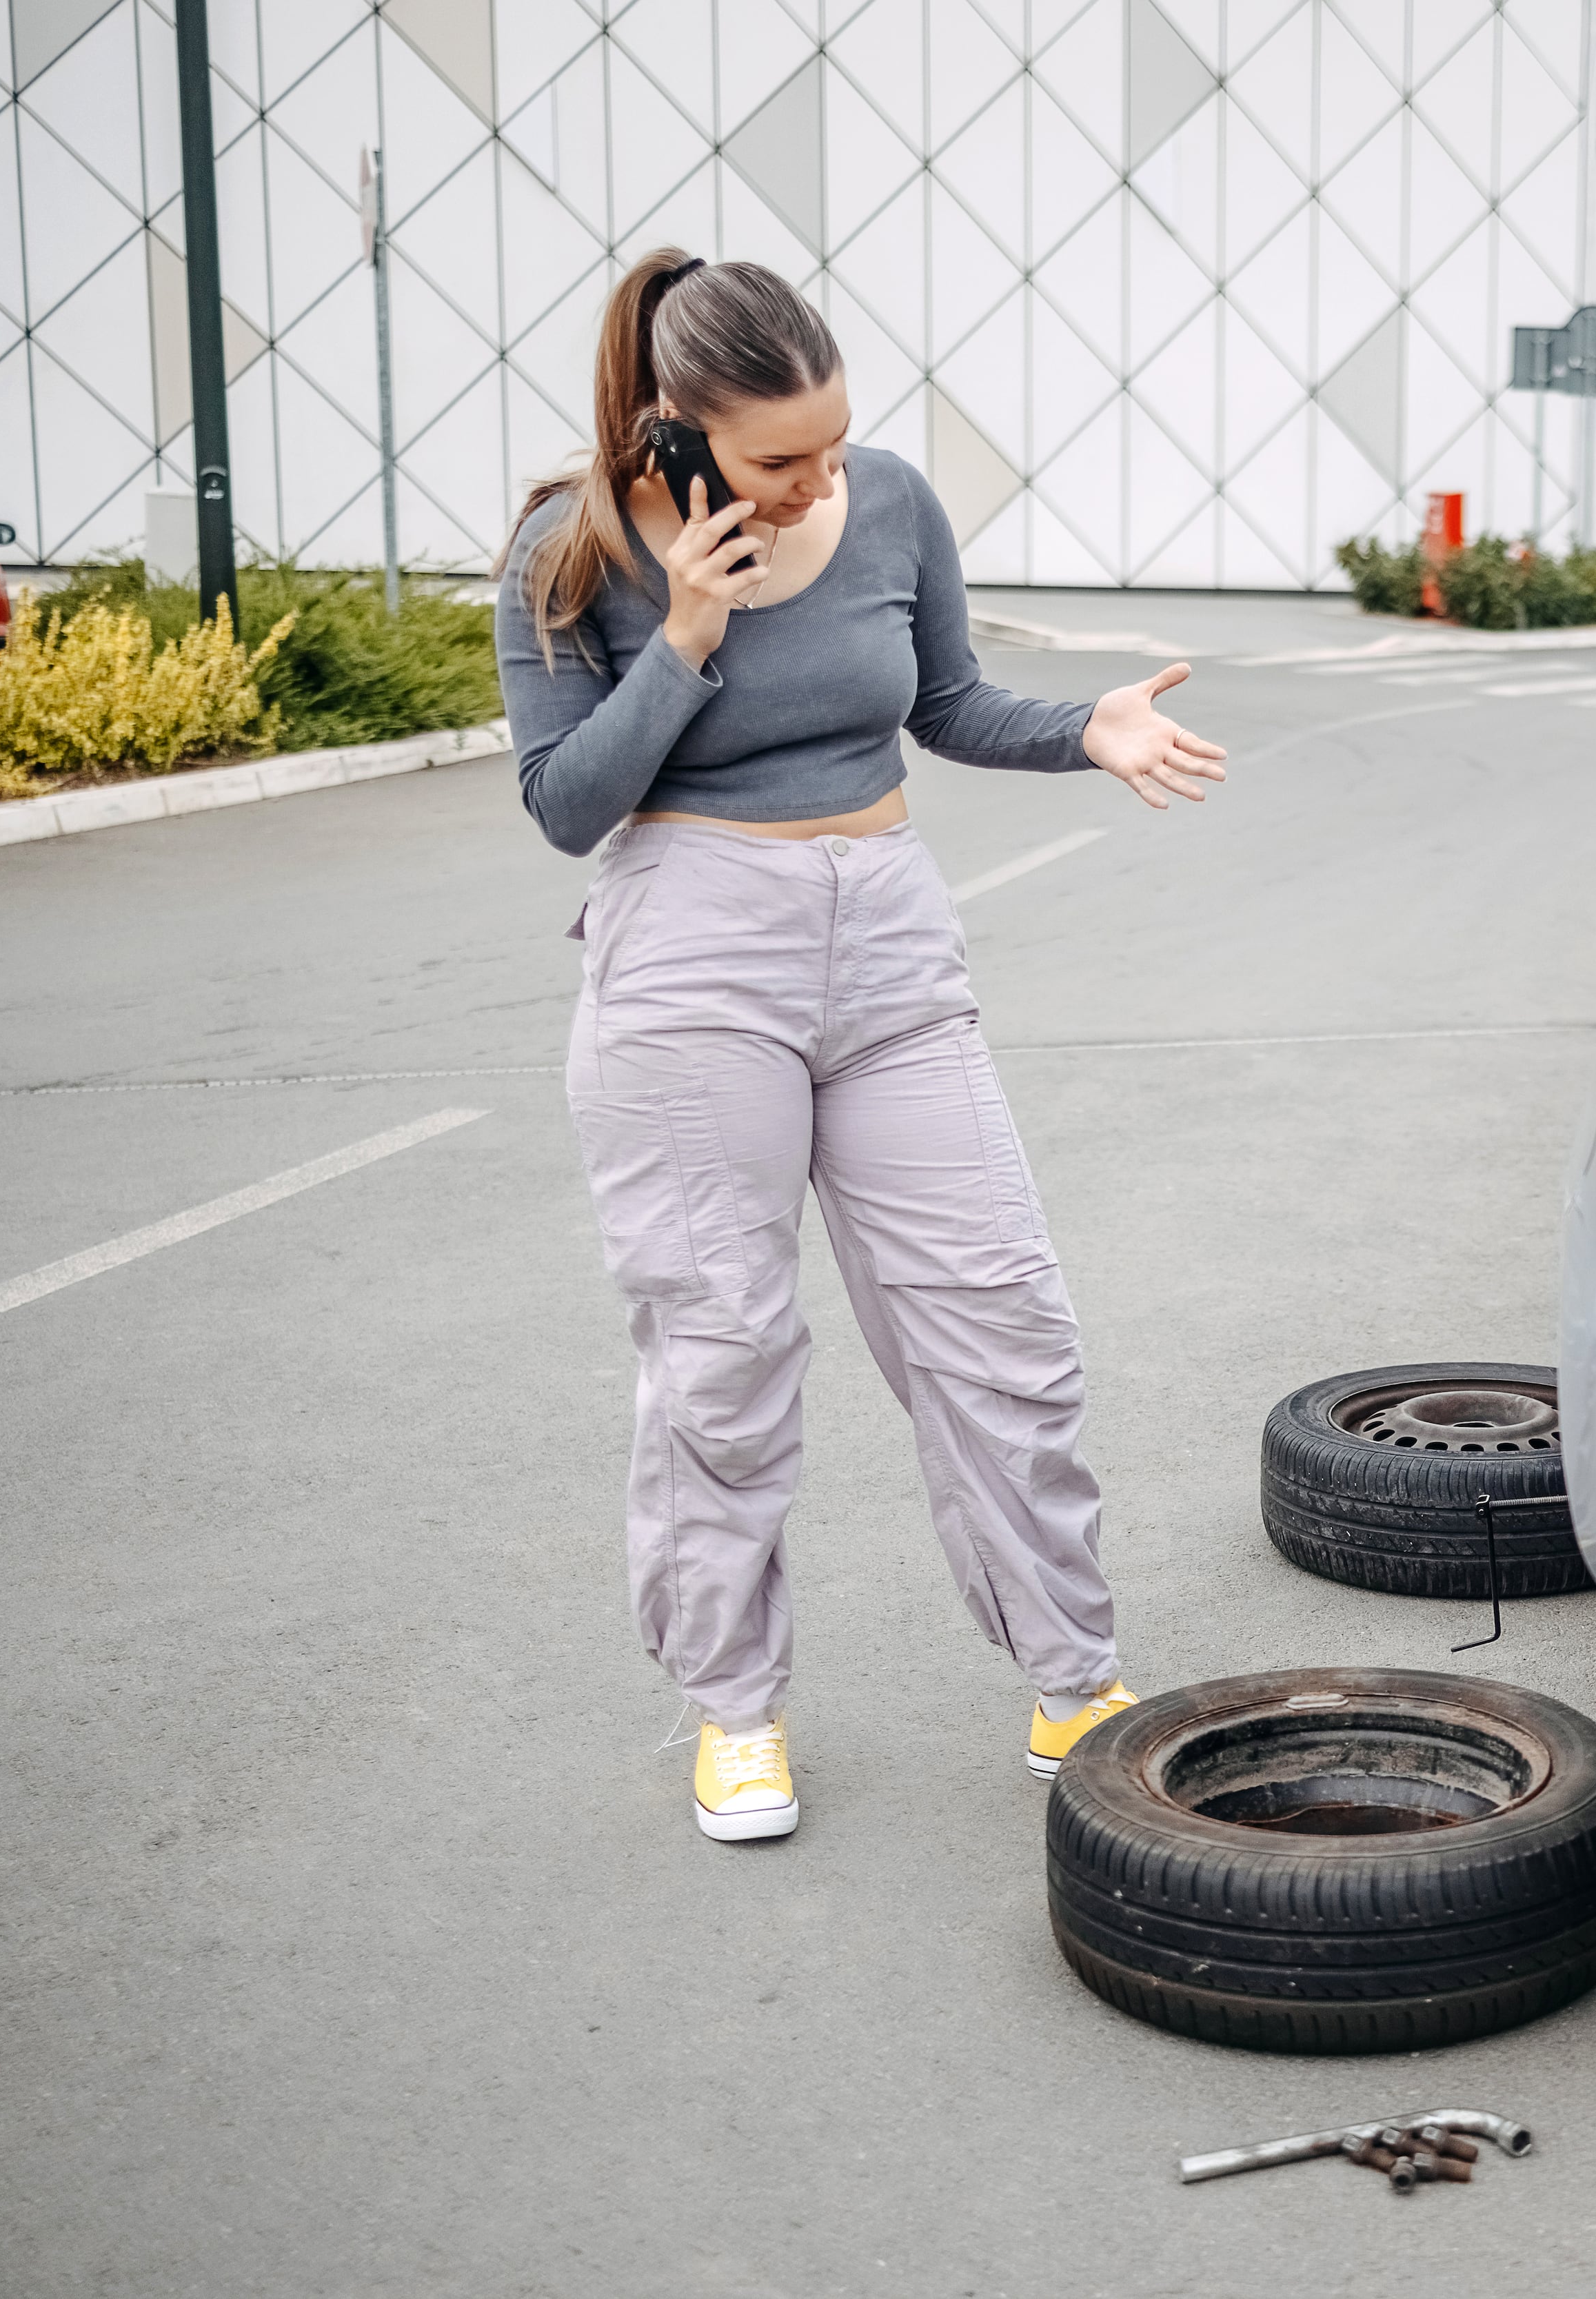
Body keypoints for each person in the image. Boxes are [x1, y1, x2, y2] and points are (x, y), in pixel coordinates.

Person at [494, 248, 1225, 1843]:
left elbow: (946, 702)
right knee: (725, 1353)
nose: (817, 478)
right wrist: (686, 631)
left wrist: (1080, 732)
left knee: (998, 1320)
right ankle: (734, 1713)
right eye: (777, 460)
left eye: (830, 442)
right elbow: (565, 806)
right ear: (673, 429)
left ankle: (1072, 1678)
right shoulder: (574, 549)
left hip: (889, 937)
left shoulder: (886, 502)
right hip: (693, 955)